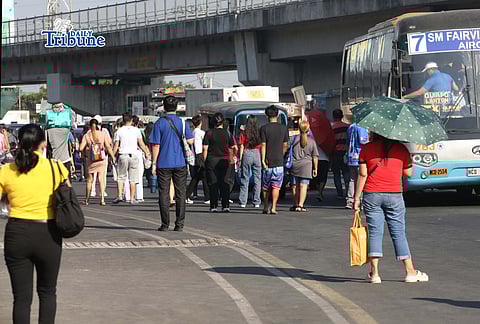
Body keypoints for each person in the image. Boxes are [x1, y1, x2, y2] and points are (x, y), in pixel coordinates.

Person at [1, 124, 69, 323]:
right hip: (48, 233)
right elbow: (67, 197)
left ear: (19, 143)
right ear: (43, 144)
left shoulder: (6, 171)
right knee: (48, 292)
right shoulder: (57, 167)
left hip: (17, 233)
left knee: (21, 298)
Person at [354, 133, 428, 284]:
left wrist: (356, 198)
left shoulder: (366, 149)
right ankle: (410, 272)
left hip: (372, 194)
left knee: (375, 232)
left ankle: (374, 274)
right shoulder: (401, 149)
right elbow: (408, 172)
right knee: (398, 232)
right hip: (394, 194)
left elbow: (363, 174)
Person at [150, 96, 194, 231]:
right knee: (181, 193)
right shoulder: (182, 122)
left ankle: (165, 224)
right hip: (180, 162)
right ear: (176, 107)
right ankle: (179, 224)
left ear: (163, 107)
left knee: (163, 193)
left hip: (163, 163)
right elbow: (191, 140)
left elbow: (155, 145)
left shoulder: (159, 123)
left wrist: (153, 163)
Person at [113, 112, 151, 205]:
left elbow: (116, 145)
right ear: (131, 120)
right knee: (133, 178)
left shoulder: (119, 131)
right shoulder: (136, 130)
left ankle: (120, 196)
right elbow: (141, 143)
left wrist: (112, 155)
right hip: (133, 155)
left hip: (122, 155)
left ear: (123, 120)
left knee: (121, 177)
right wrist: (147, 152)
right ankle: (132, 198)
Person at [203, 112, 235, 213]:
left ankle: (213, 206)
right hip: (225, 160)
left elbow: (205, 148)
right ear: (223, 122)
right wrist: (231, 159)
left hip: (212, 160)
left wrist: (205, 161)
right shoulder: (227, 133)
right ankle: (225, 205)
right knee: (225, 182)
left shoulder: (209, 133)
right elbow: (232, 147)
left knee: (213, 183)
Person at [79, 118, 116, 205]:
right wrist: (113, 156)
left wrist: (85, 151)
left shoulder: (87, 136)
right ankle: (102, 199)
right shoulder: (103, 134)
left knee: (90, 180)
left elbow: (80, 148)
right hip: (101, 159)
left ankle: (87, 199)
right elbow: (108, 146)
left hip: (91, 160)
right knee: (101, 178)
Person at [260, 105, 289, 214]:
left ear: (266, 116)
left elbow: (263, 145)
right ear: (277, 115)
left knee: (266, 187)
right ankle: (274, 207)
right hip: (279, 161)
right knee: (276, 186)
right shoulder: (283, 128)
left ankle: (266, 206)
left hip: (267, 161)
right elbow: (285, 145)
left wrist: (263, 159)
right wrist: (281, 154)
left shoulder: (264, 129)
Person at [289, 121, 319, 212]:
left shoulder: (293, 139)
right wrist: (315, 168)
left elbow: (286, 148)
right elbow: (315, 156)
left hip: (294, 164)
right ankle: (301, 205)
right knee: (303, 186)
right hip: (307, 165)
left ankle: (295, 204)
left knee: (294, 186)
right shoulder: (312, 141)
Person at [238, 116, 262, 208]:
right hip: (256, 153)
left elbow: (242, 146)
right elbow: (261, 144)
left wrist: (240, 159)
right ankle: (256, 201)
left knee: (245, 178)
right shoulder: (259, 132)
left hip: (247, 152)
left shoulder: (244, 132)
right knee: (257, 179)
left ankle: (243, 201)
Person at [186, 115, 210, 205]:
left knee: (196, 178)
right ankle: (207, 197)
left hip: (195, 156)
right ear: (200, 123)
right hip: (200, 155)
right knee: (203, 177)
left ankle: (186, 195)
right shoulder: (201, 133)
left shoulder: (193, 133)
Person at [345, 122, 369, 209]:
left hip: (351, 156)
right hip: (360, 155)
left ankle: (350, 200)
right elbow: (363, 141)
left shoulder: (351, 126)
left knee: (352, 179)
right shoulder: (362, 127)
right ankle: (360, 199)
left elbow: (347, 141)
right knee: (362, 178)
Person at [89, 115, 112, 197]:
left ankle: (92, 190)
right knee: (102, 175)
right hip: (102, 155)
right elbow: (109, 142)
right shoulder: (104, 131)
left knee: (92, 174)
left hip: (92, 155)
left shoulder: (89, 132)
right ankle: (102, 191)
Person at [330, 109, 350, 199]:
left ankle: (339, 193)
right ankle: (348, 191)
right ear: (342, 116)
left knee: (336, 174)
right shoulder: (348, 127)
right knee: (346, 173)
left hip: (335, 153)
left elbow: (329, 141)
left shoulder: (331, 127)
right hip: (345, 153)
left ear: (333, 116)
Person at [132, 115, 146, 202]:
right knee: (139, 175)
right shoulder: (139, 131)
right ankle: (139, 196)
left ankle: (128, 195)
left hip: (126, 153)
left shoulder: (121, 130)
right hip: (138, 153)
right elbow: (142, 143)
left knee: (128, 177)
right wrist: (147, 152)